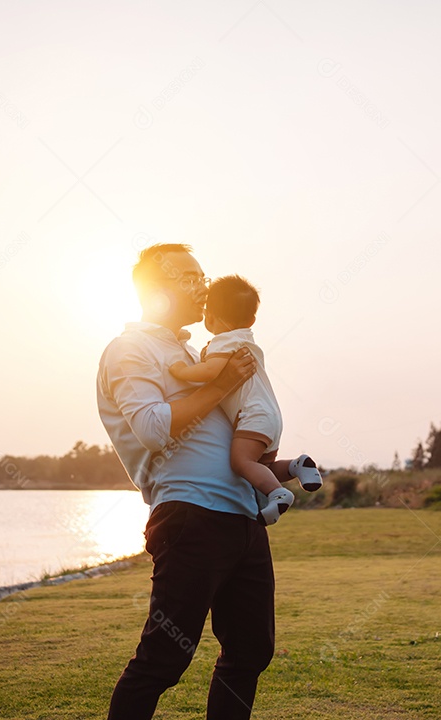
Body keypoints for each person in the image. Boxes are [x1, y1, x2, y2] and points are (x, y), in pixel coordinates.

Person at [97, 243, 273, 720]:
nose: (203, 286)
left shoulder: (193, 350)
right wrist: (221, 385)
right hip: (190, 517)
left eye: (203, 276)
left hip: (243, 518)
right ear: (156, 290)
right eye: (190, 278)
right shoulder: (130, 349)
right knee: (164, 660)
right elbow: (153, 428)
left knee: (251, 652)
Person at [168, 274, 323, 525]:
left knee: (241, 462)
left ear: (209, 317)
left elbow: (209, 372)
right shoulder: (245, 339)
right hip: (269, 414)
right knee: (260, 467)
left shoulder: (224, 342)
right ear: (251, 319)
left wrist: (180, 370)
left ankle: (278, 494)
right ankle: (297, 465)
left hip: (252, 415)